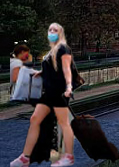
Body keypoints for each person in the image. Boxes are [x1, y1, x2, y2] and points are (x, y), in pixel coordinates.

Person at [10, 24, 76, 167]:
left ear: (60, 33)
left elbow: (66, 69)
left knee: (64, 123)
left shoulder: (64, 49)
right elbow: (52, 69)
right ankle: (25, 157)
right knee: (34, 119)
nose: (51, 32)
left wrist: (69, 87)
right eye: (50, 30)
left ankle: (68, 156)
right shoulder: (52, 51)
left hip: (58, 92)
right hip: (48, 93)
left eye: (55, 30)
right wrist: (40, 73)